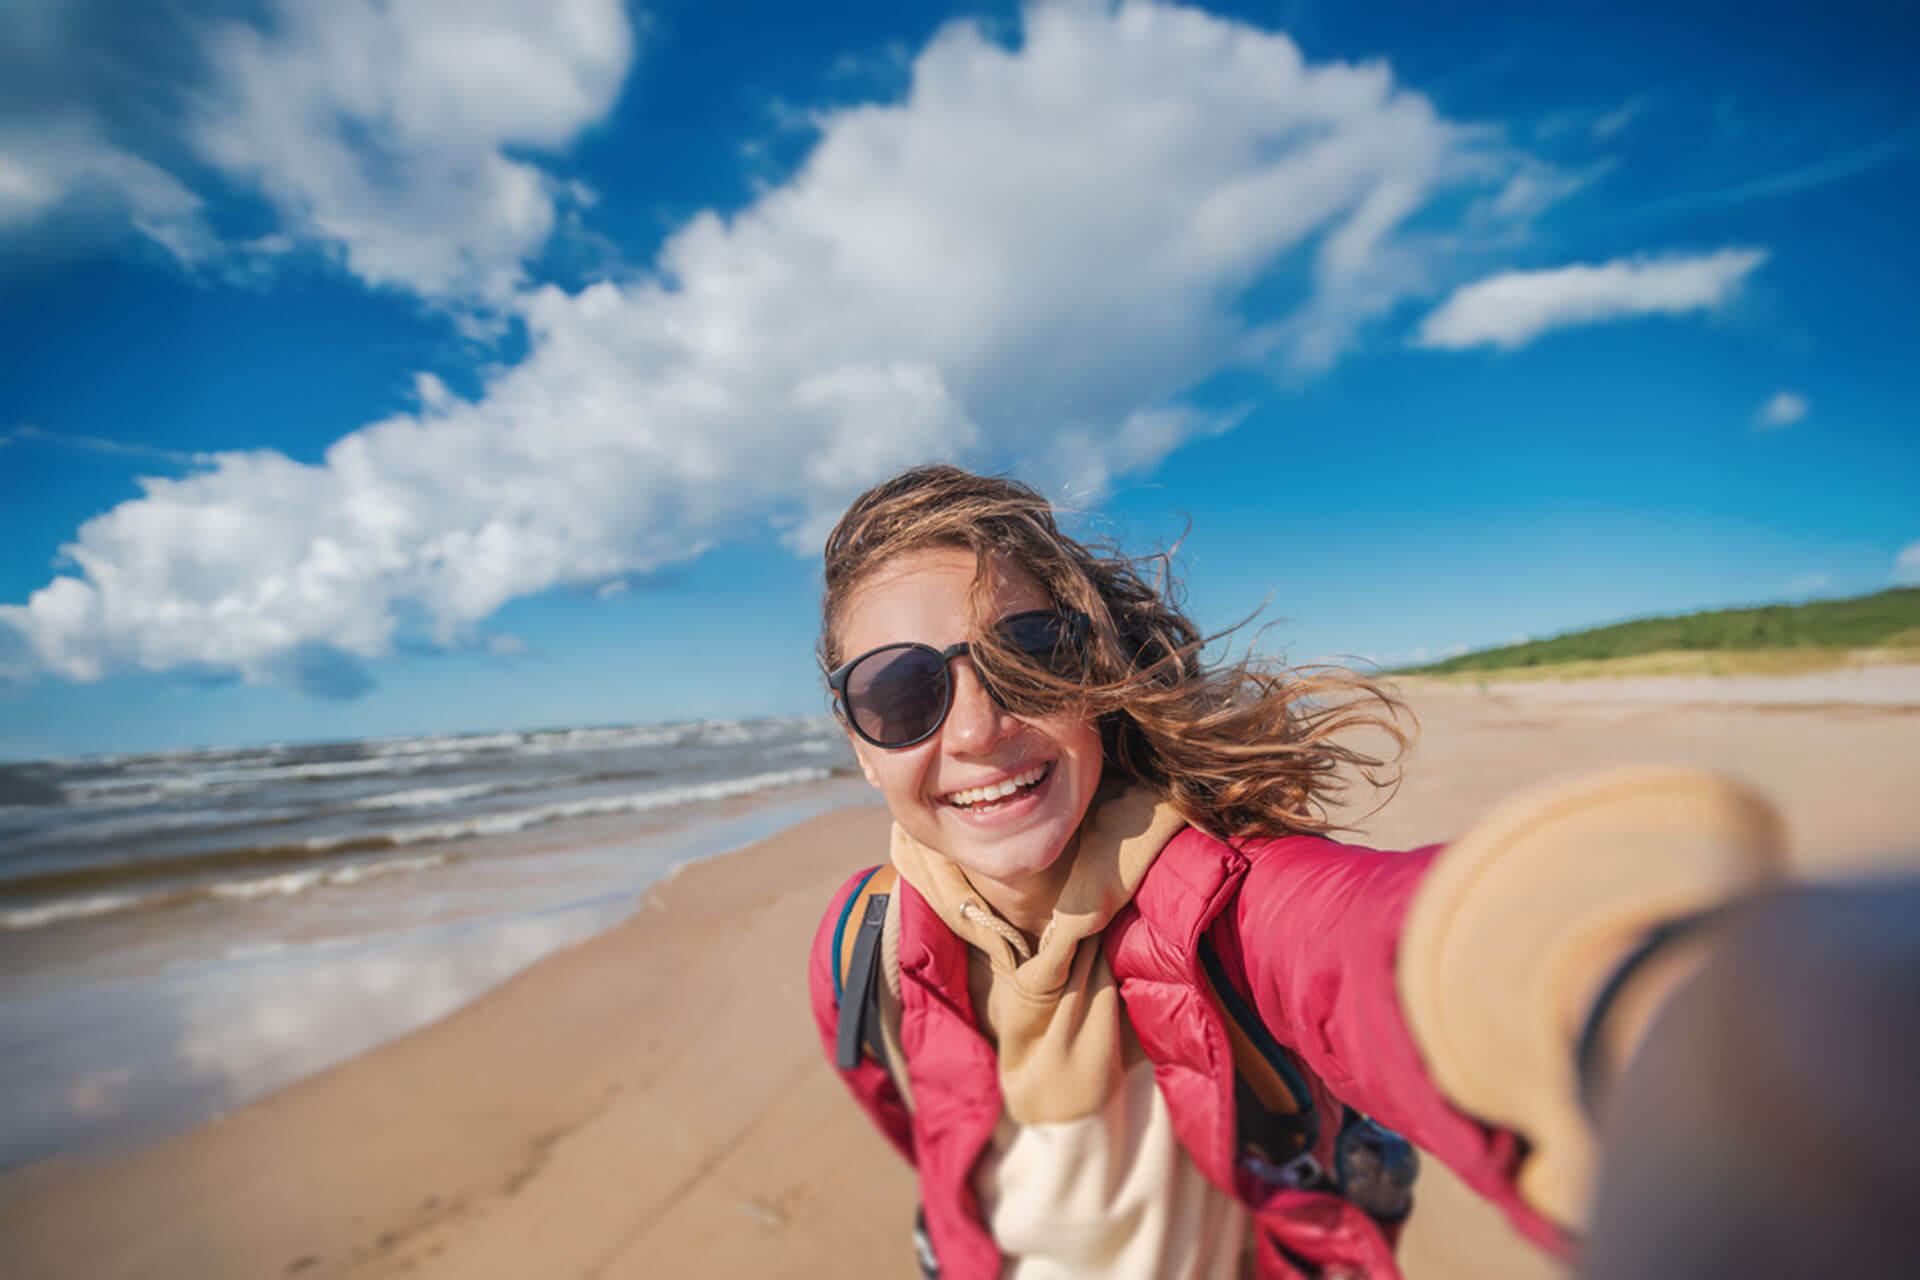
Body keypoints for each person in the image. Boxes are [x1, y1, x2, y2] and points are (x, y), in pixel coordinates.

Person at [805, 464, 1787, 1279]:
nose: (977, 729)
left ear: (1095, 680)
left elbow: (1386, 943)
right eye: (901, 693)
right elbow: (927, 1140)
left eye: (1031, 656)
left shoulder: (1222, 903)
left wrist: (1630, 996)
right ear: (860, 747)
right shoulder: (860, 950)